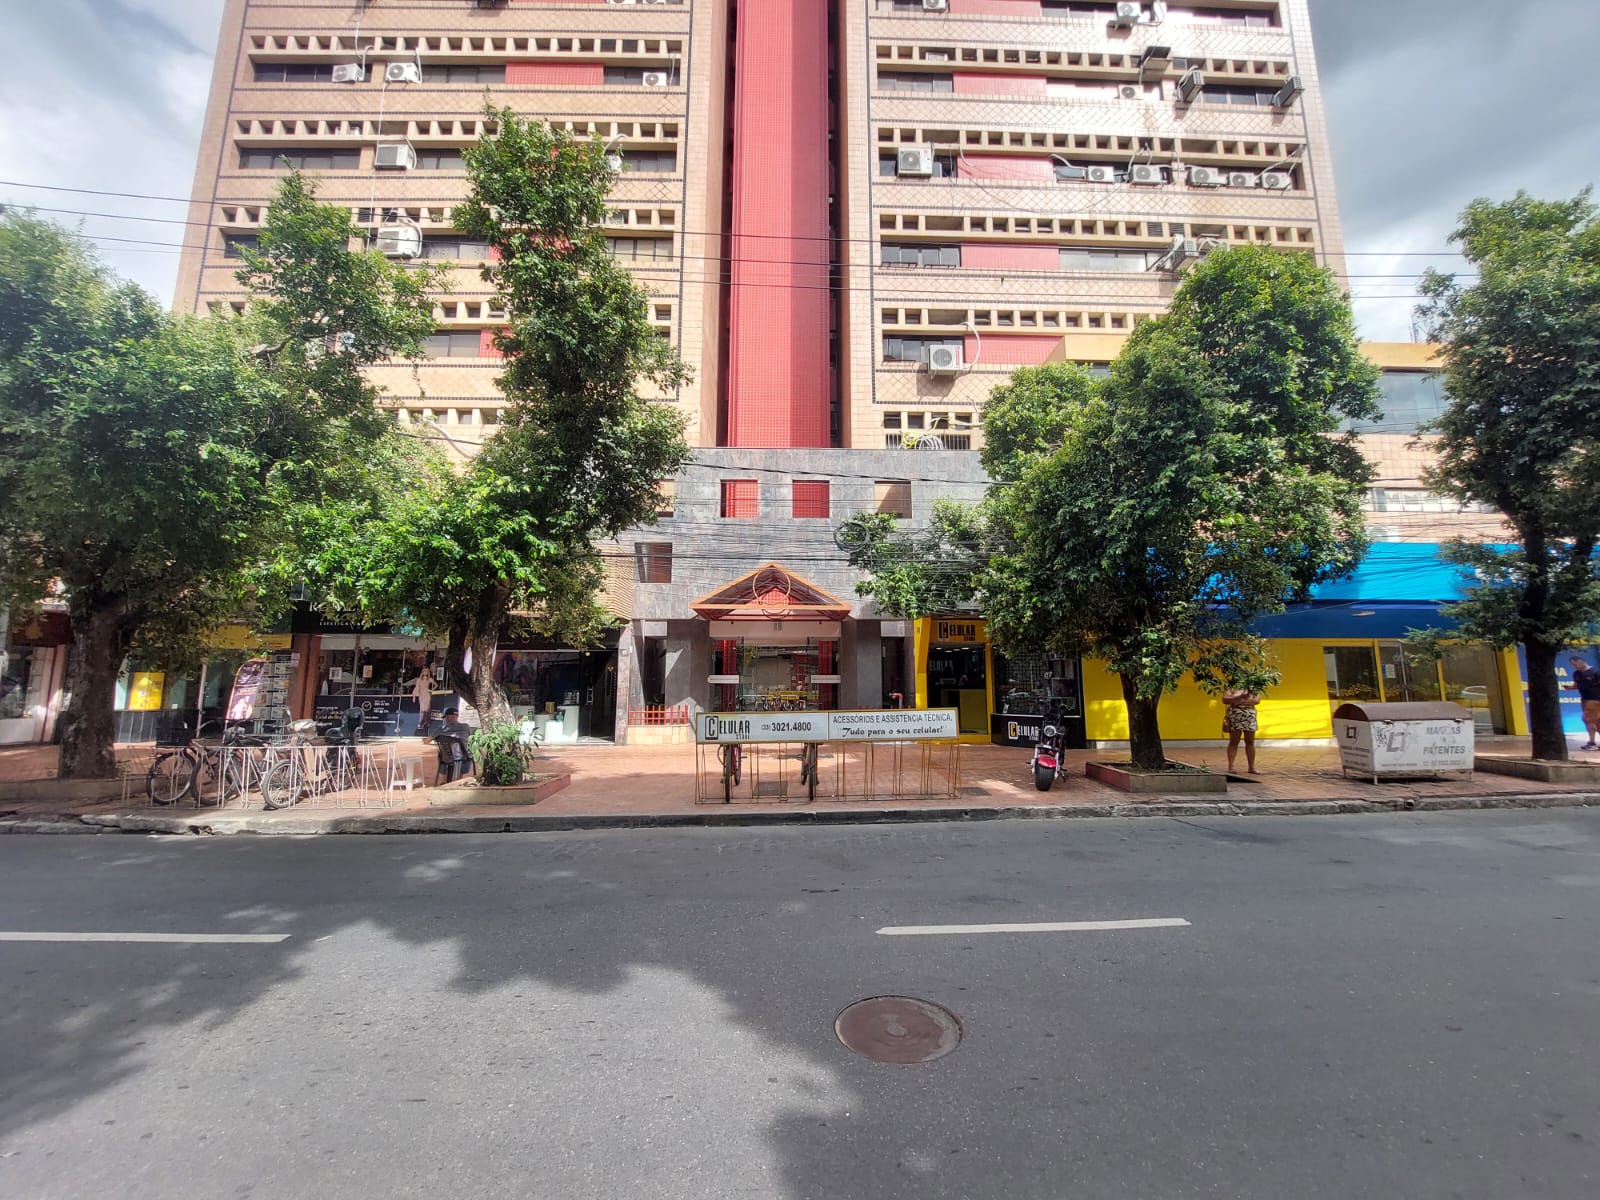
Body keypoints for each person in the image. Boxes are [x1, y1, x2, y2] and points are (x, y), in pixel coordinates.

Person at [1562, 655, 1600, 751]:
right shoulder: (1577, 674)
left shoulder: (1595, 672)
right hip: (1584, 699)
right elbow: (1576, 685)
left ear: (1581, 661)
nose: (1575, 667)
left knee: (1588, 719)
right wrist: (1569, 688)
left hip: (1595, 699)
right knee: (1596, 721)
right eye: (1573, 665)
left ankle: (1592, 743)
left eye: (1575, 664)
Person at [1221, 688, 1262, 774]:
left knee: (1250, 741)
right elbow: (1225, 699)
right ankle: (1231, 767)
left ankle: (1252, 767)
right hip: (1235, 714)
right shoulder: (1232, 686)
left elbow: (1256, 700)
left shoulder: (1254, 685)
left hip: (1249, 714)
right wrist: (1241, 698)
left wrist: (1237, 699)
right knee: (1234, 741)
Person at [432, 706, 475, 783]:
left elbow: (426, 741)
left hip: (446, 758)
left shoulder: (441, 729)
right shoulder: (465, 727)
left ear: (447, 717)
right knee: (469, 753)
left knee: (440, 754)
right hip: (464, 757)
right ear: (457, 717)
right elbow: (471, 739)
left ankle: (443, 779)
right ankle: (459, 778)